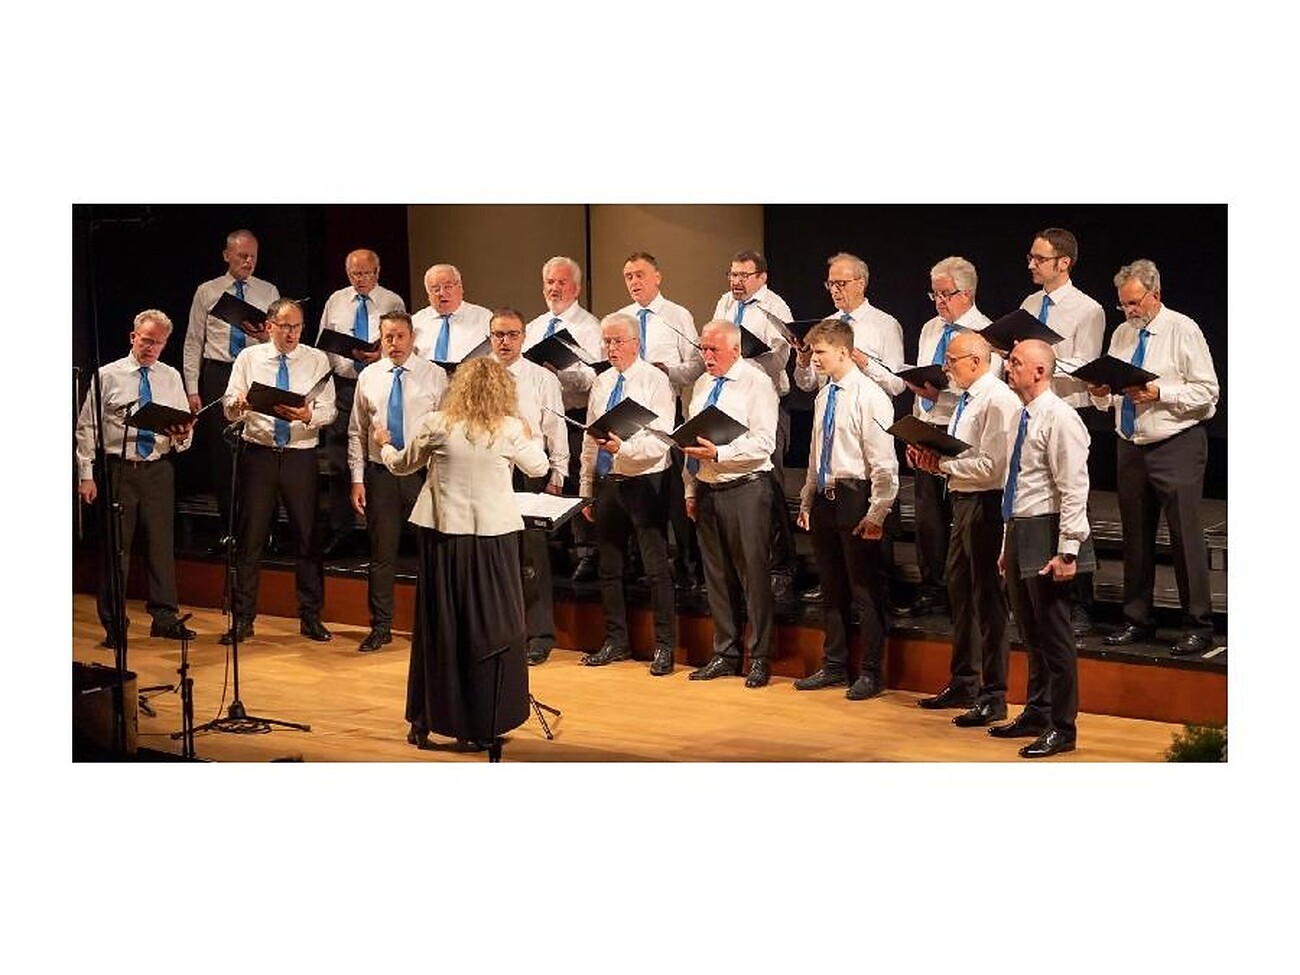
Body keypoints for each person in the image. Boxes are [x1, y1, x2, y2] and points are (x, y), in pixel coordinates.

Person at [375, 356, 549, 751]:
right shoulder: (509, 429)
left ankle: (425, 719)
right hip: (492, 541)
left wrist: (384, 444)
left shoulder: (437, 423)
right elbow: (538, 468)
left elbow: (401, 466)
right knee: (491, 628)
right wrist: (528, 432)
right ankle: (482, 722)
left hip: (444, 540)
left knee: (442, 626)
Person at [1090, 260, 1219, 657]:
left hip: (1176, 443)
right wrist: (1100, 392)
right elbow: (1112, 397)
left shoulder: (1182, 329)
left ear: (1155, 295)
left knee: (1184, 537)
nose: (1128, 311)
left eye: (1134, 303)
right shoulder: (1122, 334)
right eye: (1123, 304)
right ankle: (1137, 619)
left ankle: (1198, 625)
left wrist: (1160, 393)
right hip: (1131, 443)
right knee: (1135, 536)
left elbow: (1208, 393)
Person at [911, 331, 1022, 725]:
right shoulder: (967, 399)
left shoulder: (998, 400)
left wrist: (942, 465)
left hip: (987, 505)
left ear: (977, 361)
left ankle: (994, 694)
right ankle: (964, 681)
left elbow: (993, 467)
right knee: (960, 593)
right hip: (964, 501)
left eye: (952, 360)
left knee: (988, 601)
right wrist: (933, 455)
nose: (945, 368)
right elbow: (967, 454)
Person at [991, 339, 1091, 758]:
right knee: (1031, 632)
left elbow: (1074, 486)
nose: (1008, 368)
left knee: (1054, 634)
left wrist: (1068, 549)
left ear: (1039, 371)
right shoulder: (1022, 415)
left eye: (1016, 363)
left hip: (1048, 530)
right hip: (1021, 528)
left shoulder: (1061, 418)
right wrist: (1006, 541)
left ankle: (1063, 727)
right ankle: (1037, 711)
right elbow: (1016, 482)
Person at [76, 309, 198, 647]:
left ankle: (164, 617)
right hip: (120, 469)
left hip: (157, 469)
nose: (151, 348)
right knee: (117, 549)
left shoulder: (170, 376)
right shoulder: (108, 375)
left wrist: (182, 435)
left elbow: (183, 432)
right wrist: (86, 475)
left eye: (158, 343)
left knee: (161, 546)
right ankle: (115, 624)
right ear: (133, 337)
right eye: (146, 340)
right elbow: (87, 428)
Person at [792, 319, 898, 700]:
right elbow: (814, 454)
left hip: (856, 495)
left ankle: (871, 671)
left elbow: (883, 463)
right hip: (826, 496)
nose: (814, 359)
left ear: (843, 351)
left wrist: (877, 512)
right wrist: (808, 498)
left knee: (864, 589)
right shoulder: (825, 396)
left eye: (820, 352)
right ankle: (834, 664)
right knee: (831, 586)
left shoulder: (870, 396)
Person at [221, 298, 337, 645]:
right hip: (259, 454)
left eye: (297, 326)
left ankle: (311, 616)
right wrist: (238, 404)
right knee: (251, 537)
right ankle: (243, 618)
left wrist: (308, 416)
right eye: (285, 326)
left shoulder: (316, 359)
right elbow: (228, 405)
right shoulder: (249, 358)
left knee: (307, 537)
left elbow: (329, 410)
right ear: (270, 326)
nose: (292, 333)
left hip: (300, 455)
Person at [793, 251, 905, 604]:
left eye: (841, 283)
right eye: (830, 284)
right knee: (834, 576)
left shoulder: (884, 324)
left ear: (861, 283)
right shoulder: (826, 324)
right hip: (831, 423)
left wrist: (860, 360)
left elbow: (897, 384)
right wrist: (804, 360)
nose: (835, 290)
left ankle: (881, 594)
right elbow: (807, 384)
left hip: (864, 423)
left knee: (868, 572)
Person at [897, 256, 998, 619]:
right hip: (929, 425)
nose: (939, 301)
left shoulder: (985, 333)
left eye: (945, 294)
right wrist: (915, 430)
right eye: (934, 294)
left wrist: (940, 394)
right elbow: (920, 383)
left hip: (963, 429)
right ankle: (932, 588)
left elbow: (985, 390)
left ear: (966, 294)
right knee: (928, 515)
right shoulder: (930, 329)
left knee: (963, 512)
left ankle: (965, 590)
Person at [577, 313, 677, 675]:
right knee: (610, 567)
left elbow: (662, 439)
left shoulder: (654, 381)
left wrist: (625, 449)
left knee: (655, 568)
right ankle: (616, 641)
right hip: (609, 481)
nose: (611, 348)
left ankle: (664, 646)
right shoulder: (602, 382)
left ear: (636, 343)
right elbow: (591, 439)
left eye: (618, 341)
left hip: (645, 481)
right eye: (606, 341)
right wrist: (586, 487)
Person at [683, 321, 780, 688]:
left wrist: (720, 453)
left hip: (747, 489)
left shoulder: (756, 383)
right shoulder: (702, 384)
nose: (707, 356)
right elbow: (693, 442)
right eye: (703, 349)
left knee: (753, 575)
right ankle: (725, 653)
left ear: (736, 350)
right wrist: (690, 489)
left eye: (714, 350)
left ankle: (760, 657)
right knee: (717, 576)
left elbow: (764, 443)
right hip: (709, 488)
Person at [1020, 228, 1105, 638]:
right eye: (1031, 257)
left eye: (1039, 258)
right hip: (1033, 412)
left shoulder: (1087, 309)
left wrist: (1045, 359)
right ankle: (1036, 591)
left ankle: (1081, 603)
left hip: (1069, 412)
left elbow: (1087, 365)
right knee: (1038, 505)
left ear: (1063, 262)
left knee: (1072, 503)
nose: (1032, 265)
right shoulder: (1029, 304)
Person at [347, 311, 447, 652]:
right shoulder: (369, 376)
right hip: (382, 474)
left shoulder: (434, 375)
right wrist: (357, 479)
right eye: (387, 337)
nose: (394, 343)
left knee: (431, 552)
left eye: (400, 336)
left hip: (422, 474)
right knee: (382, 552)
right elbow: (357, 431)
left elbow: (446, 428)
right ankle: (381, 626)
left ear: (412, 338)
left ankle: (433, 627)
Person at [711, 249, 797, 600]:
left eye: (743, 276)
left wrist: (743, 358)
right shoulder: (724, 303)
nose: (736, 281)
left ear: (762, 277)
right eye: (732, 274)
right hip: (730, 403)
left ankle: (781, 566)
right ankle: (740, 565)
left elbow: (780, 359)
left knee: (769, 485)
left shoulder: (775, 307)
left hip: (765, 403)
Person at [616, 251, 705, 590]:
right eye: (628, 276)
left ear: (657, 277)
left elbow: (696, 365)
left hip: (667, 412)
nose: (634, 282)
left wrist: (668, 371)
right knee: (637, 493)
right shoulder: (622, 317)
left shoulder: (676, 315)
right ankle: (641, 565)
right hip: (628, 415)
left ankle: (688, 566)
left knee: (677, 494)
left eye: (640, 275)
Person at [182, 229, 279, 535]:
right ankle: (230, 530)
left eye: (253, 257)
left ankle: (263, 531)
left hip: (255, 372)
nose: (248, 262)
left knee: (259, 449)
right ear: (227, 256)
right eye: (242, 256)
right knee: (223, 454)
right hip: (219, 373)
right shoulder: (207, 291)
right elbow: (193, 341)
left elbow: (281, 341)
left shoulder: (268, 291)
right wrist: (192, 388)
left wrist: (264, 336)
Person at [487, 308, 568, 665]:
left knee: (533, 556)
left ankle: (539, 635)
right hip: (492, 470)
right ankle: (503, 631)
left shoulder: (540, 377)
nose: (504, 342)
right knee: (497, 552)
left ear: (523, 337)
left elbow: (555, 427)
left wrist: (558, 473)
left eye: (512, 335)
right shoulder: (479, 375)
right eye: (498, 335)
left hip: (531, 469)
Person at [319, 249, 407, 554]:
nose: (361, 279)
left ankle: (385, 534)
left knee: (381, 456)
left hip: (381, 383)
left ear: (377, 272)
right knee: (340, 460)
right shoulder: (336, 300)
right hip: (344, 385)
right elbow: (323, 345)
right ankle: (341, 531)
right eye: (355, 274)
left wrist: (381, 354)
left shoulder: (392, 301)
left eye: (367, 273)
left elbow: (402, 340)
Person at [522, 256, 604, 583]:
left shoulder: (590, 327)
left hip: (573, 416)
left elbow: (595, 377)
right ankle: (549, 549)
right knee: (542, 480)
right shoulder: (534, 327)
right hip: (538, 419)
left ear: (577, 288)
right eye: (550, 282)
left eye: (561, 282)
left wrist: (561, 374)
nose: (554, 288)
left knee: (574, 480)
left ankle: (587, 552)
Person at [411, 263, 492, 362]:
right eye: (436, 289)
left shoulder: (484, 317)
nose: (442, 293)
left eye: (448, 287)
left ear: (460, 288)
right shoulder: (416, 321)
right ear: (428, 294)